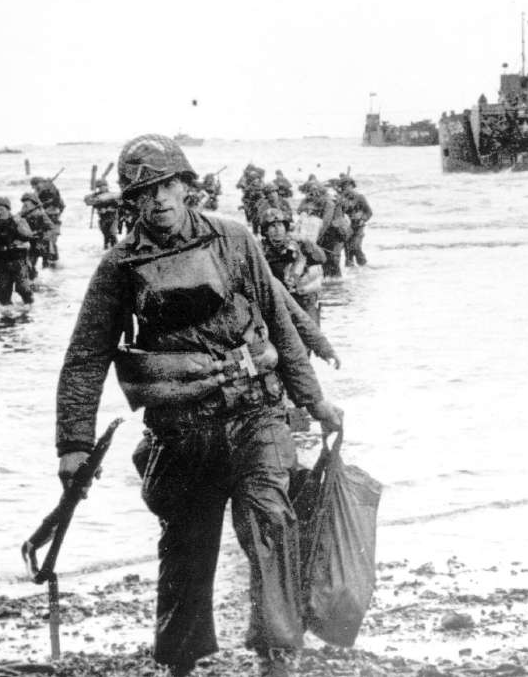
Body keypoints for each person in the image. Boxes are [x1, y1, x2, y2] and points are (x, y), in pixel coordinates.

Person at [55, 134, 343, 677]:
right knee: (186, 543)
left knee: (270, 523)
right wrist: (72, 445)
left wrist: (314, 399)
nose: (159, 199)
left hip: (255, 414)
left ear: (188, 187)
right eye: (145, 191)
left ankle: (279, 652)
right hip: (181, 429)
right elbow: (86, 357)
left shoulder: (234, 239)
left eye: (168, 185)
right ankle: (181, 660)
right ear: (131, 202)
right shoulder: (119, 267)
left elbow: (280, 324)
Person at [261, 208, 326, 326]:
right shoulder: (261, 249)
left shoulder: (298, 243)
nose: (277, 230)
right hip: (279, 301)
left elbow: (322, 258)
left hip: (303, 298)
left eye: (280, 225)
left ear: (285, 227)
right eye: (272, 226)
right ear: (266, 231)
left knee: (312, 335)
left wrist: (307, 242)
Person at [296, 179, 345, 277]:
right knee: (319, 258)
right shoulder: (307, 201)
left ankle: (336, 282)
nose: (312, 195)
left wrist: (315, 239)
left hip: (334, 233)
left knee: (333, 259)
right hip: (319, 233)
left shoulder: (328, 202)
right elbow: (299, 211)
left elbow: (325, 223)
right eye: (309, 192)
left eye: (314, 192)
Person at [335, 174, 373, 267]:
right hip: (347, 229)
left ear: (352, 186)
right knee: (348, 253)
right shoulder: (340, 199)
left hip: (358, 227)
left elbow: (369, 212)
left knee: (356, 247)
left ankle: (364, 266)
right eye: (344, 186)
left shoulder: (360, 197)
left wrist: (363, 219)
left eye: (348, 186)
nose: (347, 188)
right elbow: (338, 214)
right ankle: (352, 275)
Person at [31, 177, 64, 267]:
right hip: (42, 223)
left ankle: (53, 263)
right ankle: (49, 263)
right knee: (44, 243)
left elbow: (60, 204)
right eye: (35, 185)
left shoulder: (52, 192)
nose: (37, 186)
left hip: (53, 221)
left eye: (39, 184)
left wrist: (55, 212)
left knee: (51, 242)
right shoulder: (35, 195)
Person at [20, 192, 54, 278]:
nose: (25, 205)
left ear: (32, 203)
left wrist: (44, 236)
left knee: (45, 263)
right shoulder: (23, 214)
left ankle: (46, 279)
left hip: (42, 241)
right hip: (32, 241)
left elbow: (51, 227)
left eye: (27, 202)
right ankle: (33, 278)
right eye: (24, 203)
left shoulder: (40, 214)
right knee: (30, 262)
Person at [85, 179, 122, 249]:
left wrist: (107, 210)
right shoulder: (96, 196)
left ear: (107, 186)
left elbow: (118, 206)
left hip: (113, 218)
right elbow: (88, 202)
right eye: (100, 187)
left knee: (113, 234)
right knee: (106, 236)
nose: (102, 188)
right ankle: (105, 252)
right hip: (103, 219)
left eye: (104, 186)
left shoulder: (111, 195)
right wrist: (92, 197)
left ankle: (117, 250)